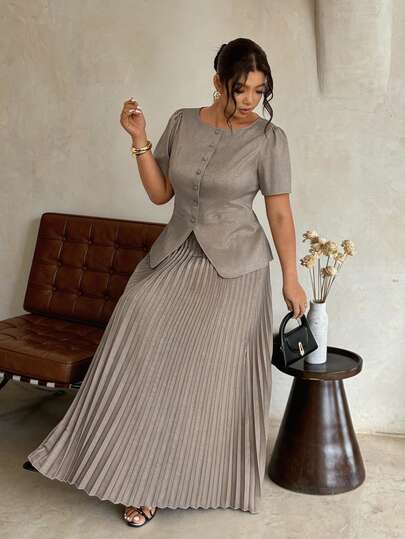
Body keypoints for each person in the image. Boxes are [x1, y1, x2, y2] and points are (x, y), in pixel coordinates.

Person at [26, 37, 307, 528]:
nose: (250, 100)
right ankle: (119, 461)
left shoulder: (269, 139)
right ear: (218, 82)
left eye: (259, 90)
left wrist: (291, 277)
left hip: (235, 270)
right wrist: (139, 138)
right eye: (240, 89)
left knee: (200, 375)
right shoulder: (182, 122)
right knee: (137, 322)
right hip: (174, 253)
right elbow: (160, 194)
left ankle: (166, 481)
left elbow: (279, 214)